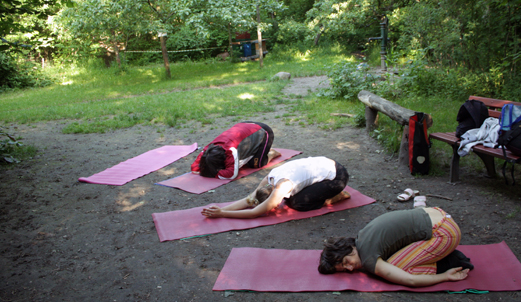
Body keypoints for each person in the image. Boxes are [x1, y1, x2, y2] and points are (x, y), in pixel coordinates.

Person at [318, 208, 473, 287]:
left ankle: (450, 261)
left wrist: (444, 276)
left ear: (349, 249)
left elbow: (411, 280)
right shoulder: (362, 235)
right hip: (439, 214)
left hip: (444, 233)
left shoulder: (368, 259)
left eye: (346, 262)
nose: (350, 269)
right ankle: (440, 254)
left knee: (395, 269)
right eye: (345, 270)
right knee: (392, 261)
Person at [201, 156, 351, 219]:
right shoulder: (269, 179)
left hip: (337, 176)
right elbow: (249, 201)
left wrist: (222, 214)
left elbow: (253, 213)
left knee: (298, 204)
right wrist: (223, 209)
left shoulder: (282, 187)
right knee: (293, 200)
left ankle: (337, 196)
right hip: (325, 163)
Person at [191, 121, 280, 179]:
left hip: (262, 130)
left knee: (256, 164)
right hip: (244, 126)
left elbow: (231, 174)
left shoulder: (230, 152)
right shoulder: (207, 149)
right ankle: (260, 151)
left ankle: (271, 152)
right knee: (248, 162)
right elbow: (194, 168)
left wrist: (212, 173)